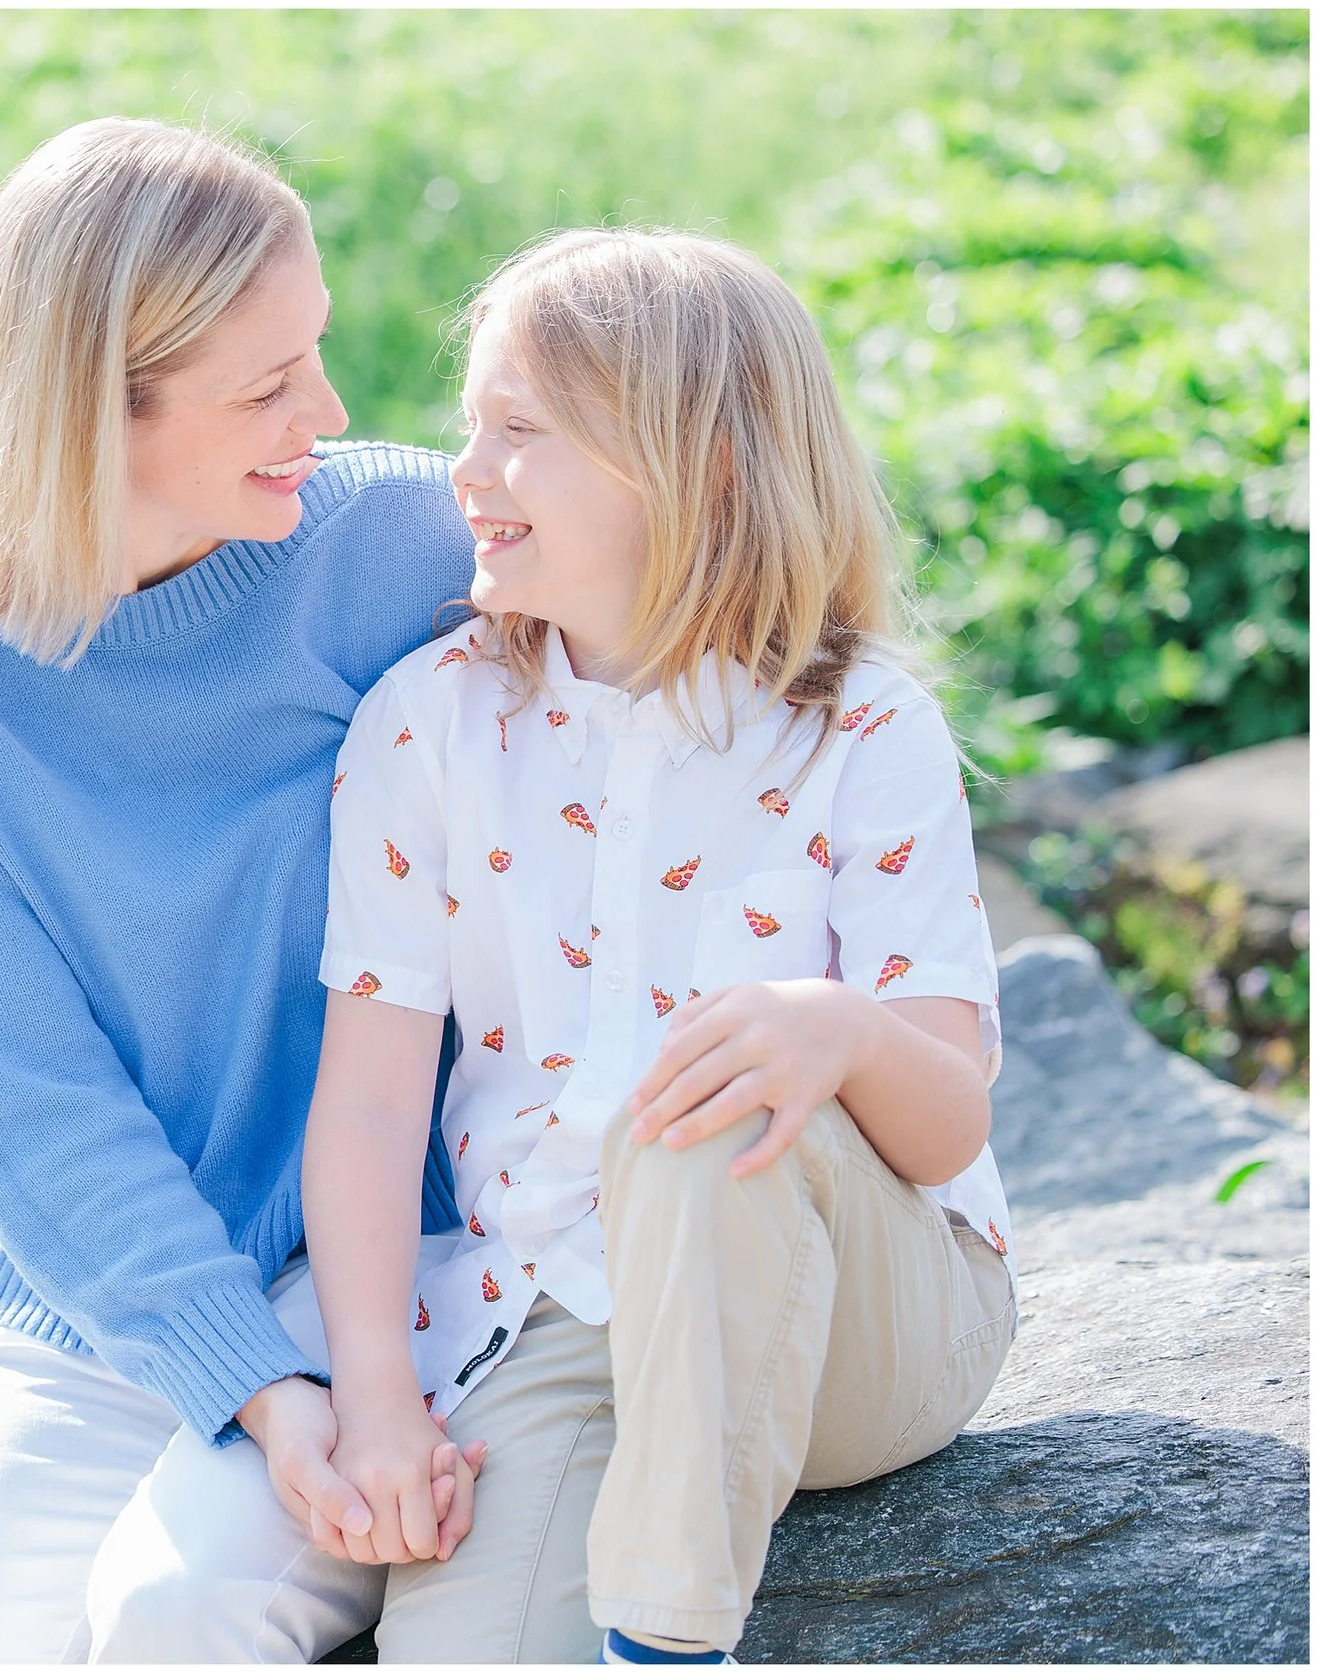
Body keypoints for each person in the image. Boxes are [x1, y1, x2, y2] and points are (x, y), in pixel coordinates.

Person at [99, 225, 1019, 1663]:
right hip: (552, 1319)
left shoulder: (864, 723)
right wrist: (386, 1397)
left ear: (700, 465)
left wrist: (833, 1033)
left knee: (699, 1106)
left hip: (862, 1317)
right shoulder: (428, 725)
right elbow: (371, 1101)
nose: (463, 471)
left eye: (517, 433)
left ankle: (664, 1638)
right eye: (473, 424)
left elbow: (951, 1116)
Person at [0, 118, 486, 1662]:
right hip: (97, 1300)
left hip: (394, 1260)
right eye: (267, 385)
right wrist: (243, 1383)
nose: (331, 409)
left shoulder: (410, 543)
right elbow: (27, 1095)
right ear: (90, 408)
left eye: (314, 354)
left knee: (170, 1625)